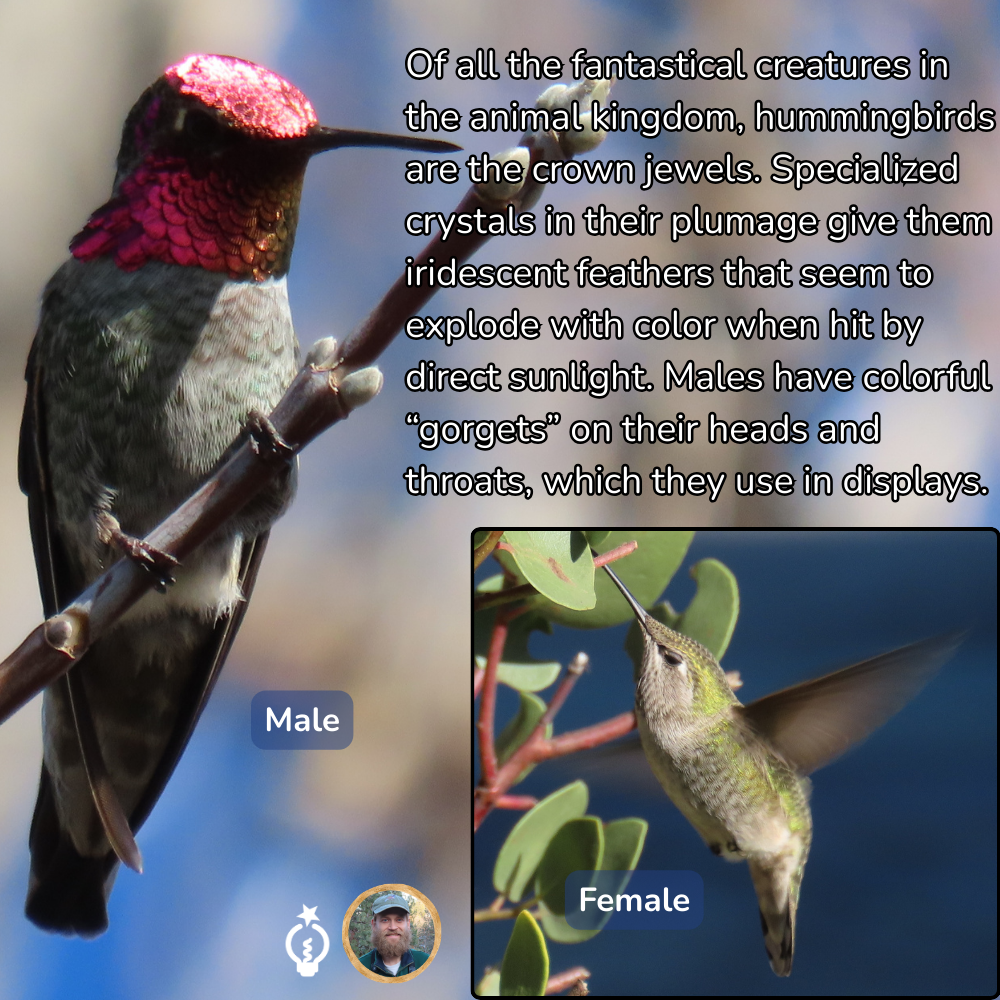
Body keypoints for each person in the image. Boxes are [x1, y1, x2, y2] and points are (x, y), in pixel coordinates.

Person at [359, 893, 430, 977]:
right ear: (374, 925)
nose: (393, 927)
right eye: (385, 920)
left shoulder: (426, 962)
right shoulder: (359, 967)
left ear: (408, 924)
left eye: (399, 919)